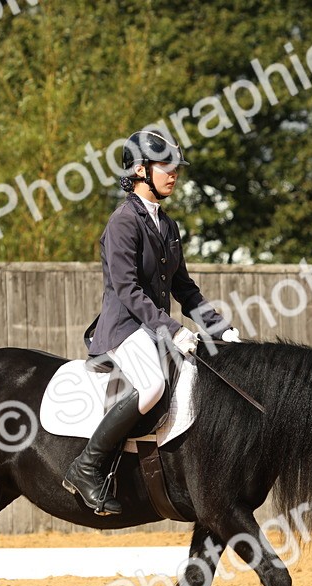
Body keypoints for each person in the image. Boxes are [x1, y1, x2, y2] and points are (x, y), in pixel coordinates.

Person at [63, 129, 241, 515]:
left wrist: (219, 327)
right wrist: (173, 330)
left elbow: (184, 287)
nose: (174, 173)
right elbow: (128, 290)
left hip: (152, 329)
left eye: (176, 167)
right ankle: (86, 468)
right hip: (123, 329)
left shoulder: (167, 226)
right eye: (166, 166)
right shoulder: (123, 222)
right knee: (152, 386)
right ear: (141, 170)